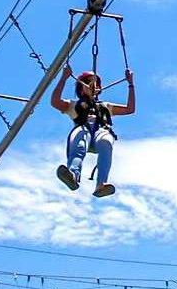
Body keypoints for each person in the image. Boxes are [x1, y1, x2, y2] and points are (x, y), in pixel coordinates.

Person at [50, 66, 135, 197]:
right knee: (79, 138)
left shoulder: (106, 106)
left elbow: (130, 109)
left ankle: (101, 184)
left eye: (95, 83)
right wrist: (64, 77)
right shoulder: (73, 105)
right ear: (81, 87)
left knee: (106, 141)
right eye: (88, 82)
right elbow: (55, 102)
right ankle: (73, 174)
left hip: (101, 132)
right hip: (84, 131)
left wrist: (130, 84)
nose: (92, 85)